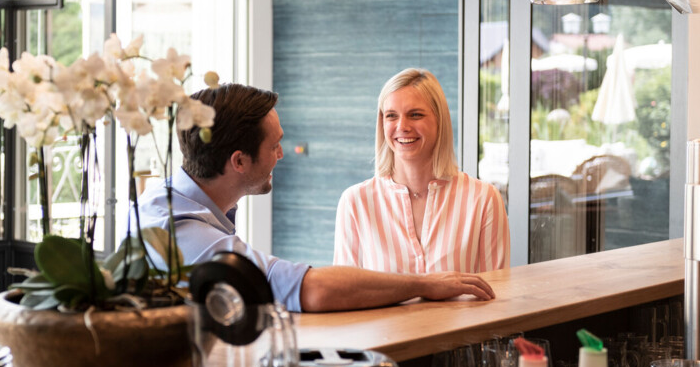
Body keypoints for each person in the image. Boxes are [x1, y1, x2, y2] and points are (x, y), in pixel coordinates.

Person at [137, 83, 496, 313]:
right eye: (275, 145)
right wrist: (426, 285)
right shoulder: (179, 229)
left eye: (416, 114)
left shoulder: (180, 206)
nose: (282, 154)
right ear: (239, 161)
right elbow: (315, 290)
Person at [334, 68, 510, 275]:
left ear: (439, 120)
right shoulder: (355, 202)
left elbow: (496, 296)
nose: (402, 126)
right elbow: (346, 296)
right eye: (391, 116)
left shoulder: (483, 199)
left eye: (415, 115)